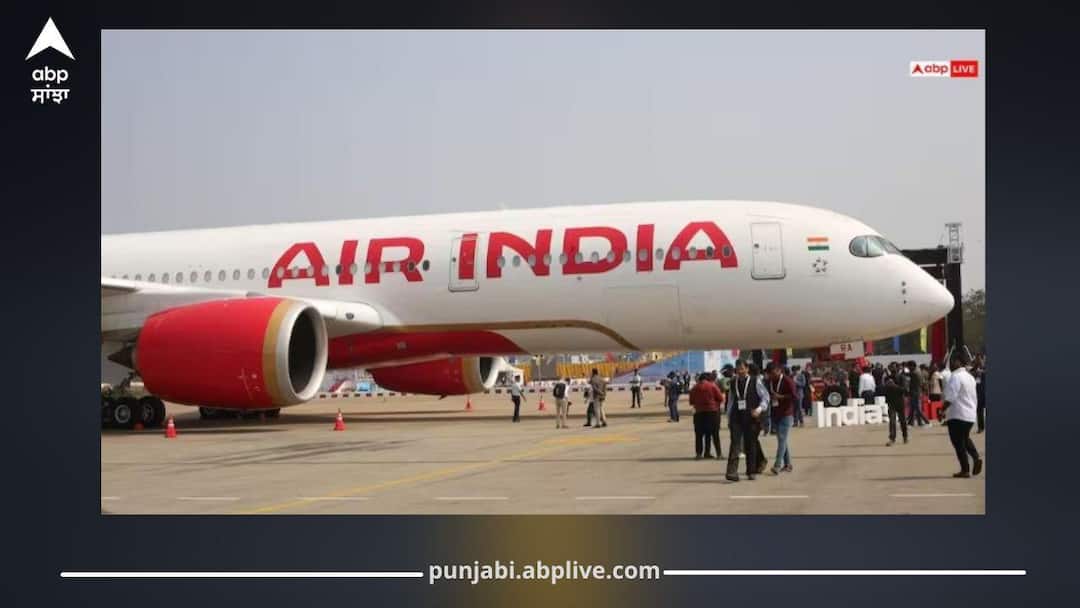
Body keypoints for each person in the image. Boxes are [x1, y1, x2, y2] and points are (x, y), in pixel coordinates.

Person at [725, 360, 770, 481]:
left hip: (751, 416)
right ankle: (731, 472)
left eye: (742, 368)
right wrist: (729, 417)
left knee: (750, 444)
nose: (739, 371)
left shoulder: (755, 381)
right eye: (737, 369)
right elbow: (730, 401)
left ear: (747, 369)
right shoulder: (733, 382)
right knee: (735, 443)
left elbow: (765, 397)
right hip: (736, 417)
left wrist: (759, 410)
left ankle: (751, 471)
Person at [942, 352, 983, 477]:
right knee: (965, 438)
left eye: (953, 361)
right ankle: (975, 457)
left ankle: (965, 470)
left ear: (959, 362)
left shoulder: (955, 377)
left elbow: (951, 397)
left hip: (957, 414)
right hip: (969, 415)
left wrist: (942, 410)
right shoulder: (969, 377)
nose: (951, 364)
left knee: (958, 442)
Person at [766, 362, 798, 474]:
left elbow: (795, 397)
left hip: (786, 414)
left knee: (782, 439)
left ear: (779, 370)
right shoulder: (770, 381)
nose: (771, 376)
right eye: (769, 374)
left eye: (773, 373)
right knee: (782, 440)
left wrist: (781, 397)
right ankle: (788, 464)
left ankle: (777, 465)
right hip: (775, 413)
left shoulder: (788, 381)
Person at [689, 373, 725, 459]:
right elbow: (721, 398)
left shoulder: (694, 388)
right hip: (712, 412)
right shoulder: (712, 386)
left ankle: (699, 454)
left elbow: (691, 401)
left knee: (699, 435)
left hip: (699, 413)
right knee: (714, 434)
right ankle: (718, 454)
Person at [883, 364, 909, 445]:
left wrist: (894, 386)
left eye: (894, 368)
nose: (893, 370)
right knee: (892, 421)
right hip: (891, 402)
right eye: (891, 368)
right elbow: (885, 390)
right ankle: (892, 438)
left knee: (903, 421)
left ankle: (905, 436)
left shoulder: (902, 378)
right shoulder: (887, 378)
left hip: (900, 402)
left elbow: (904, 390)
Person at [906, 360, 929, 427]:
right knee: (913, 409)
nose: (908, 368)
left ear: (912, 366)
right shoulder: (918, 371)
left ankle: (927, 422)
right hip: (916, 392)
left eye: (909, 366)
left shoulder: (915, 372)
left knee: (918, 409)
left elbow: (909, 375)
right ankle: (914, 423)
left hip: (916, 393)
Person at [973, 354, 987, 433]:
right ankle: (981, 427)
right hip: (978, 393)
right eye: (977, 359)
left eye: (979, 359)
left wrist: (982, 372)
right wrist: (975, 373)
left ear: (983, 359)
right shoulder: (974, 369)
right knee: (979, 411)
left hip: (986, 392)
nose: (978, 361)